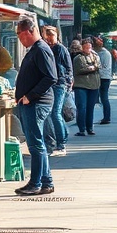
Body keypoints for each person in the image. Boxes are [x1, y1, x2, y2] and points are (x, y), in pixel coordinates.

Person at [13, 17, 57, 196]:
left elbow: (51, 77)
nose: (19, 38)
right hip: (33, 102)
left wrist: (30, 96)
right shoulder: (35, 49)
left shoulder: (41, 50)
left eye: (20, 34)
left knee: (35, 144)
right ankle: (46, 182)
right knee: (37, 143)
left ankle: (35, 183)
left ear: (29, 32)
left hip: (37, 103)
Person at [42, 25, 72, 157]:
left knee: (55, 113)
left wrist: (67, 81)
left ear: (56, 35)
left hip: (59, 83)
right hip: (51, 84)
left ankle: (61, 144)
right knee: (52, 113)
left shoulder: (61, 49)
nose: (49, 38)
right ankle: (62, 137)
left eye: (51, 35)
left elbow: (68, 67)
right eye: (47, 36)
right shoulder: (47, 48)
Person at [72, 38, 100, 136]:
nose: (88, 49)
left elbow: (98, 65)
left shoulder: (95, 56)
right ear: (82, 48)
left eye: (89, 47)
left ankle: (90, 128)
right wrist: (92, 68)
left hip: (94, 85)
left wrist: (93, 67)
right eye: (86, 47)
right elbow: (80, 69)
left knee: (90, 108)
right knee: (82, 107)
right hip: (81, 85)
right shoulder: (78, 58)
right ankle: (82, 129)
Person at [93, 36, 113, 125]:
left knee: (104, 98)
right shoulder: (97, 52)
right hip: (99, 77)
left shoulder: (105, 53)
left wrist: (94, 69)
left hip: (104, 78)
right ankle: (104, 117)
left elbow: (105, 67)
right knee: (100, 98)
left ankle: (107, 117)